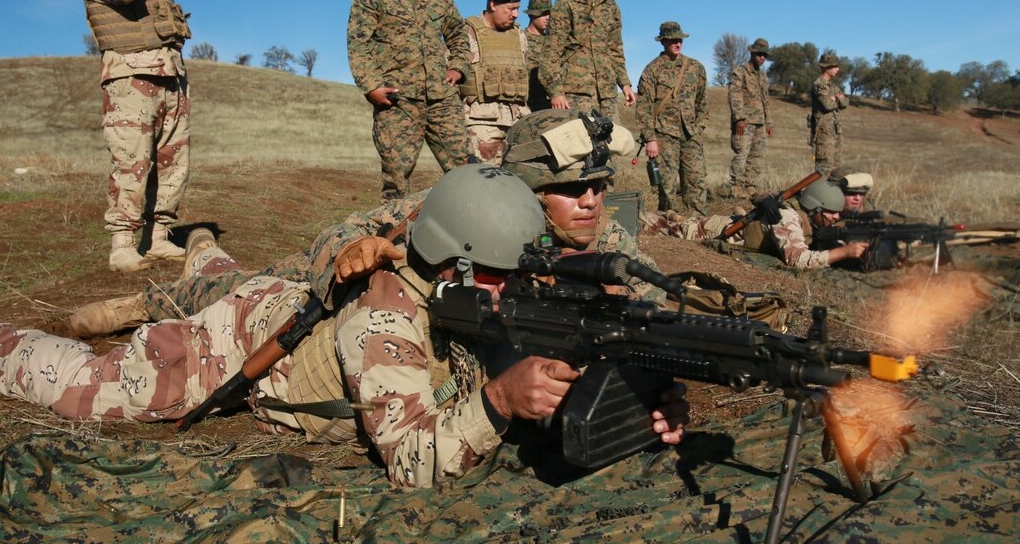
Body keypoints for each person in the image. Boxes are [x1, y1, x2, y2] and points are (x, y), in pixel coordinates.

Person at [0, 165, 689, 489]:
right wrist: (497, 402)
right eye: (496, 275)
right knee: (94, 391)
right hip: (242, 340)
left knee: (218, 276)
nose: (511, 291)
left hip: (282, 295)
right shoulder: (387, 314)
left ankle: (201, 251)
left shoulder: (487, 284)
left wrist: (636, 395)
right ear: (451, 261)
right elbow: (414, 459)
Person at [57, 109, 663, 338]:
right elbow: (340, 237)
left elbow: (652, 292)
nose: (589, 202)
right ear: (528, 191)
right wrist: (361, 249)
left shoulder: (601, 235)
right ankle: (149, 298)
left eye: (597, 188)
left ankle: (204, 246)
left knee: (220, 264)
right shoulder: (457, 203)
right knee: (231, 291)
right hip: (319, 284)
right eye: (569, 189)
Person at [78, 0, 191, 272]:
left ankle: (159, 238)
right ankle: (123, 245)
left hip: (170, 76)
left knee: (172, 162)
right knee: (131, 161)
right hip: (130, 78)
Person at [347, 0, 472, 199]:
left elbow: (458, 34)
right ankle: (395, 239)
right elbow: (359, 42)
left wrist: (458, 67)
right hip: (397, 102)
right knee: (397, 182)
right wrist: (371, 87)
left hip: (442, 100)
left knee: (468, 170)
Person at [647, 178, 869, 269]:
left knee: (672, 222)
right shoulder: (788, 217)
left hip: (727, 225)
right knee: (657, 227)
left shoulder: (803, 214)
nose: (836, 218)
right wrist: (844, 253)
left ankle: (672, 216)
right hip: (710, 231)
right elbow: (799, 260)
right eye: (831, 213)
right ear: (816, 208)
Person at [540, 0, 635, 120]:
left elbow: (615, 49)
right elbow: (551, 53)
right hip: (576, 93)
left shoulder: (610, 4)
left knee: (612, 146)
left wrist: (625, 83)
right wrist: (556, 92)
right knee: (580, 146)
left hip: (607, 95)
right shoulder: (566, 1)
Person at [636, 22, 709, 214]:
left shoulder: (695, 68)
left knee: (696, 179)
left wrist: (699, 126)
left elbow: (702, 101)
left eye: (680, 40)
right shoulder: (652, 70)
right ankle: (669, 221)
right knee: (666, 184)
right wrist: (650, 138)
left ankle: (697, 222)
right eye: (673, 40)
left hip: (690, 133)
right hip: (663, 133)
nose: (678, 44)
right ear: (663, 42)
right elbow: (643, 108)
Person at [461, 0, 531, 164]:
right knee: (485, 181)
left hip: (518, 121)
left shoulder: (519, 35)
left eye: (517, 9)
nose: (515, 14)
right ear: (493, 5)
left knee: (520, 182)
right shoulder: (468, 33)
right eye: (510, 8)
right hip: (482, 123)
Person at [728, 38, 773, 200]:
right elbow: (735, 95)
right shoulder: (740, 72)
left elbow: (765, 100)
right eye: (759, 54)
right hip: (745, 122)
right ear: (752, 53)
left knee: (757, 155)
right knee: (742, 153)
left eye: (764, 55)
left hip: (760, 122)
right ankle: (736, 186)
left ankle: (750, 185)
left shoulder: (763, 76)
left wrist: (769, 122)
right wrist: (739, 118)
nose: (762, 58)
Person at [811, 53, 849, 174]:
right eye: (835, 66)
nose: (838, 69)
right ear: (827, 67)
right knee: (823, 169)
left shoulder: (833, 86)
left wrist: (836, 99)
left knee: (836, 169)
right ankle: (820, 192)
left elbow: (846, 103)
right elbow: (827, 105)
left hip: (836, 132)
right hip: (823, 133)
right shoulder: (819, 85)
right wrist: (837, 99)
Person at [523, 0, 553, 111]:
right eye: (543, 14)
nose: (547, 18)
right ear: (531, 14)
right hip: (528, 102)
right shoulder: (520, 39)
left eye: (549, 14)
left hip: (549, 102)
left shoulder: (553, 42)